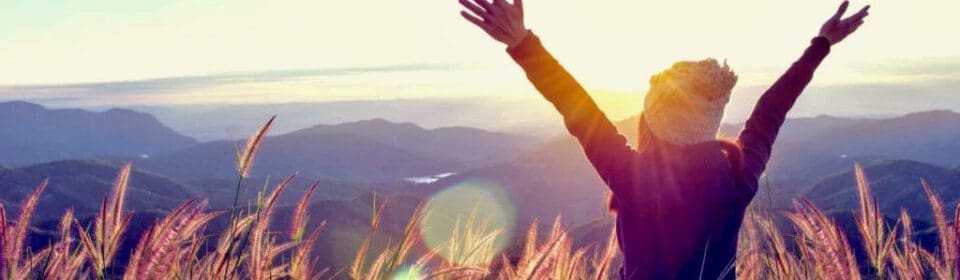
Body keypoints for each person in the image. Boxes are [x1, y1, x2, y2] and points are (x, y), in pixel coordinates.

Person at [458, 0, 870, 279]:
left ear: (651, 120)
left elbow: (577, 108)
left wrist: (522, 43)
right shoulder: (738, 177)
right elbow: (770, 111)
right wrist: (821, 45)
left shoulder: (634, 178)